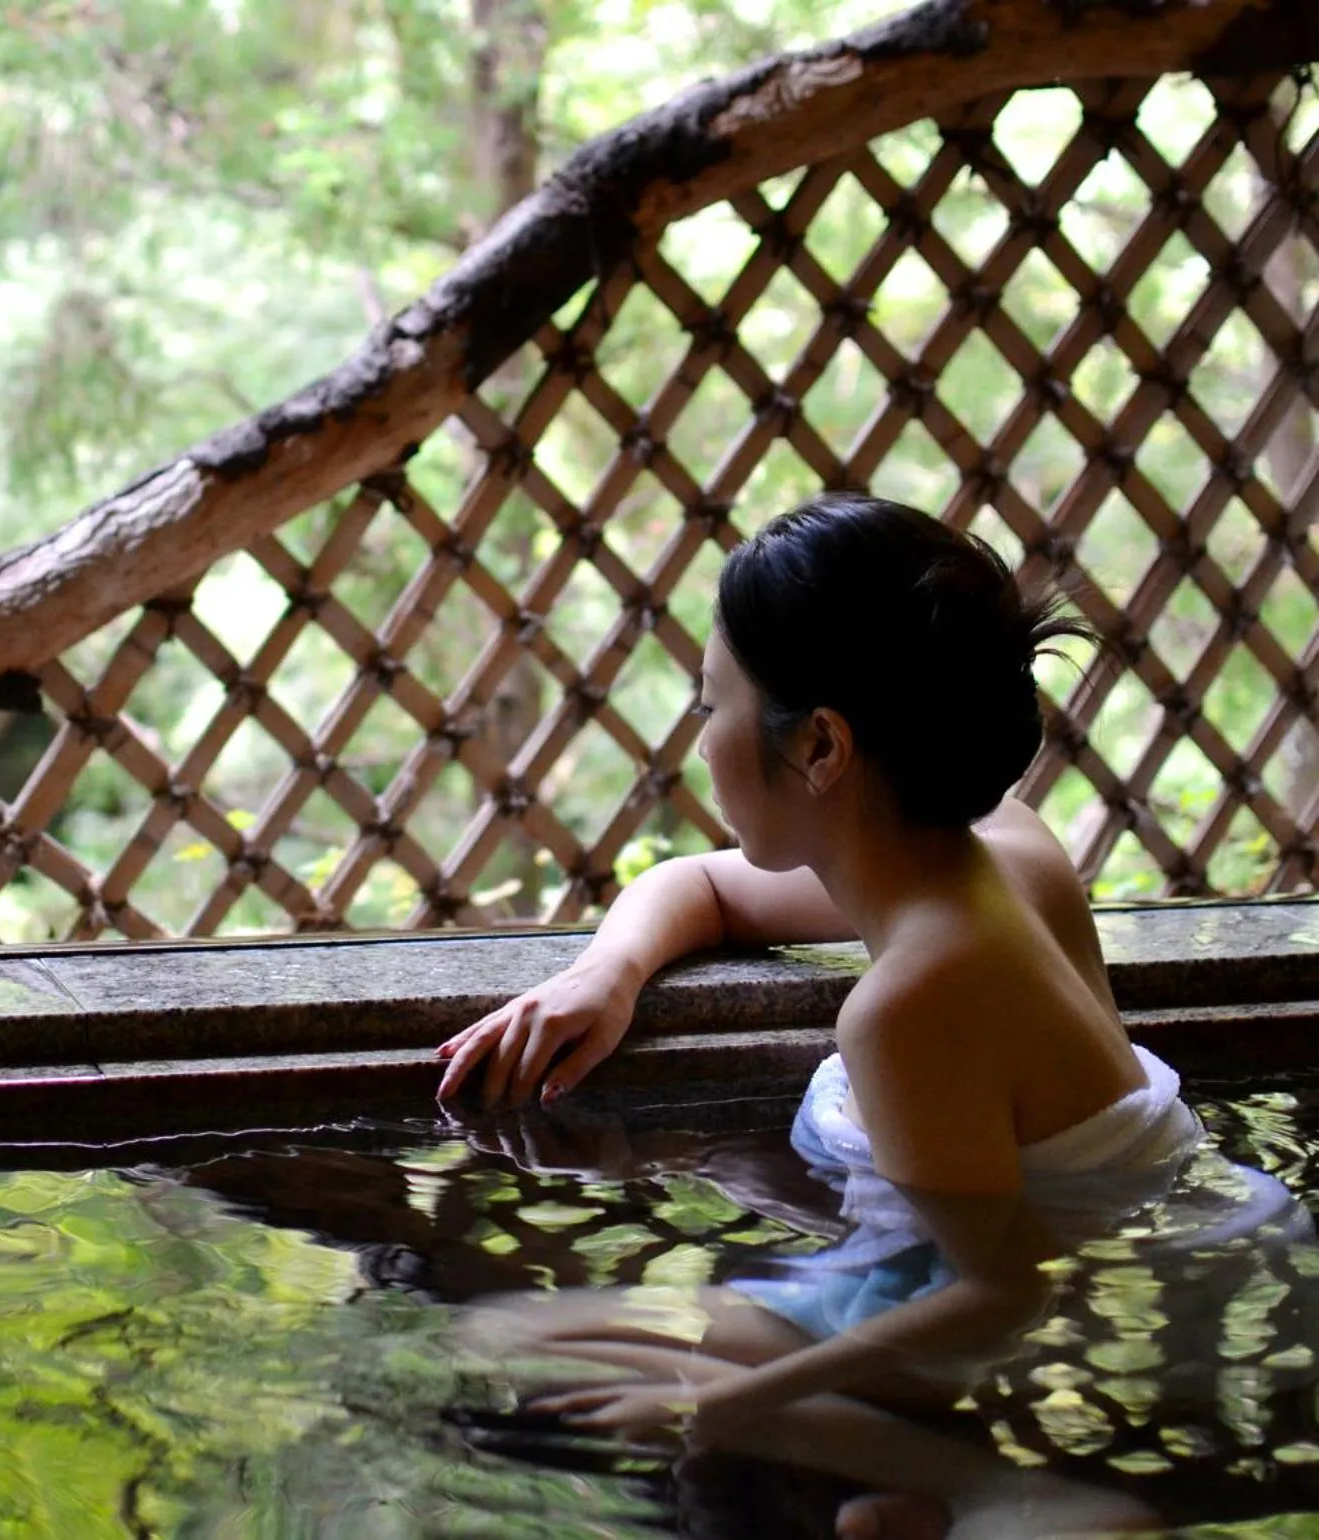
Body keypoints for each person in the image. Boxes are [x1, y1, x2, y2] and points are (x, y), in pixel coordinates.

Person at [434, 493, 1207, 1538]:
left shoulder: (910, 1001)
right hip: (1092, 1245)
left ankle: (1004, 1497)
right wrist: (607, 975)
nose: (698, 740)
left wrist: (721, 1399)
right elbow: (699, 888)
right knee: (510, 1338)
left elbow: (1006, 1292)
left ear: (823, 748)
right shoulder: (985, 846)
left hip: (1105, 1288)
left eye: (711, 704)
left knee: (553, 1358)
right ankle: (905, 1495)